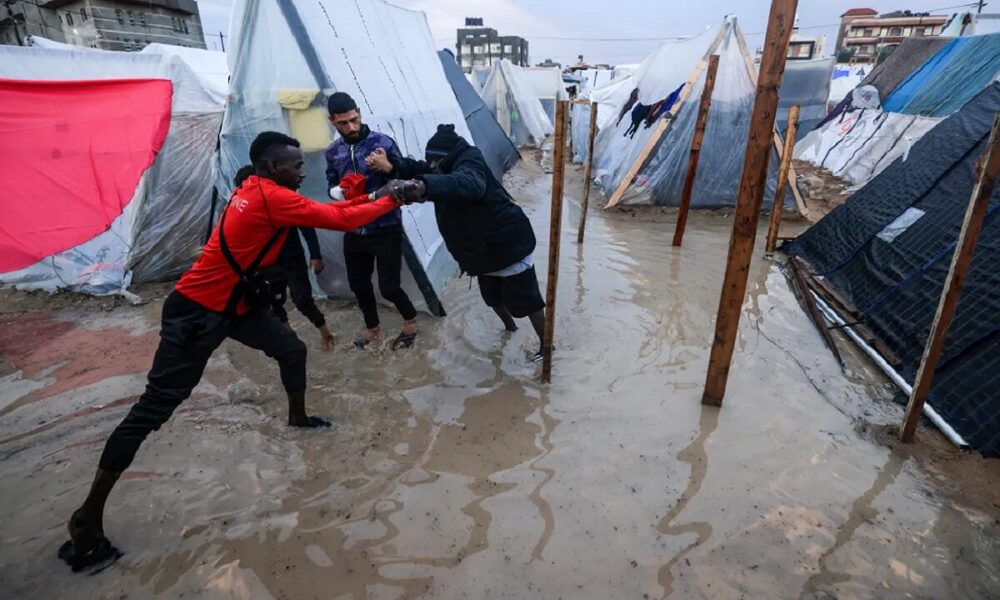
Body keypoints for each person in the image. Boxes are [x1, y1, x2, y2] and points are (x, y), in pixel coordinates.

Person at [60, 132, 401, 573]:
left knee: (291, 350)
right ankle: (86, 519)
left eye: (301, 163)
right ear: (268, 167)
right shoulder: (270, 197)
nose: (302, 170)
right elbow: (338, 220)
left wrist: (377, 194)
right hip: (197, 313)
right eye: (293, 164)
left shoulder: (255, 188)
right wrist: (393, 197)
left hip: (235, 305)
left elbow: (331, 210)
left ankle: (297, 418)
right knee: (154, 409)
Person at [366, 124, 546, 360]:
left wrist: (422, 187)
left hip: (506, 245)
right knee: (492, 298)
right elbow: (422, 168)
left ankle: (546, 346)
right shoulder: (444, 164)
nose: (431, 166)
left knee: (528, 301)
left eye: (434, 163)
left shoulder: (470, 163)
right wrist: (393, 166)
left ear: (446, 158)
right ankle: (509, 329)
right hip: (480, 252)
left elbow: (468, 183)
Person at [325, 92, 418, 350]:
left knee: (389, 287)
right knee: (358, 284)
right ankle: (372, 328)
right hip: (353, 229)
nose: (351, 127)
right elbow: (330, 183)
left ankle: (410, 321)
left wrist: (388, 168)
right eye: (343, 123)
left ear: (359, 112)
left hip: (385, 227)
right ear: (332, 120)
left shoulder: (383, 143)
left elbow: (408, 179)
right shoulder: (333, 152)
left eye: (354, 119)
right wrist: (338, 192)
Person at [233, 165, 336, 351]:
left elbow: (306, 225)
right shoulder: (243, 208)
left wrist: (315, 255)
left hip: (292, 259)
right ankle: (292, 342)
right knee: (273, 304)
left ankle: (326, 333)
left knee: (302, 301)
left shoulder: (280, 200)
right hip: (267, 265)